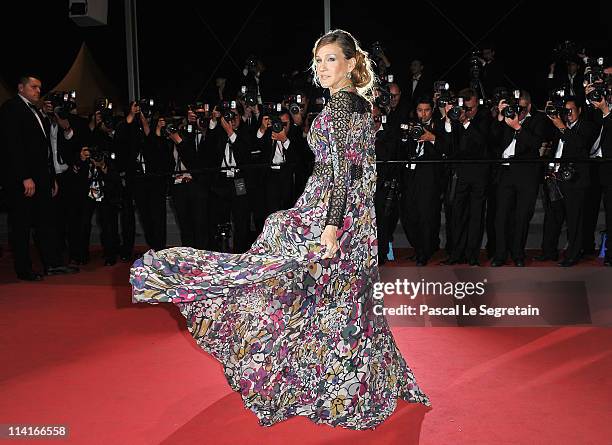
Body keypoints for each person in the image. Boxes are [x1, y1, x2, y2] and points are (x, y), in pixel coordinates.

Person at [130, 29, 430, 430]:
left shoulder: (341, 107)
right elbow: (360, 169)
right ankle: (350, 380)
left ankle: (186, 277)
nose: (322, 68)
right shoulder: (361, 104)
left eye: (331, 60)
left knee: (280, 266)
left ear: (351, 63)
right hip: (355, 211)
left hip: (334, 207)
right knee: (342, 296)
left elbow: (340, 172)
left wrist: (329, 225)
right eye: (318, 61)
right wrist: (352, 218)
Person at [0, 75, 79, 281]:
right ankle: (23, 270)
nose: (38, 91)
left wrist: (50, 177)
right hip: (24, 180)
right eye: (33, 87)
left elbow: (44, 149)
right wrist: (24, 177)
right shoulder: (11, 108)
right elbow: (12, 146)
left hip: (42, 178)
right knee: (22, 224)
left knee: (46, 222)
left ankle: (52, 264)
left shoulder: (37, 112)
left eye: (39, 88)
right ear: (20, 87)